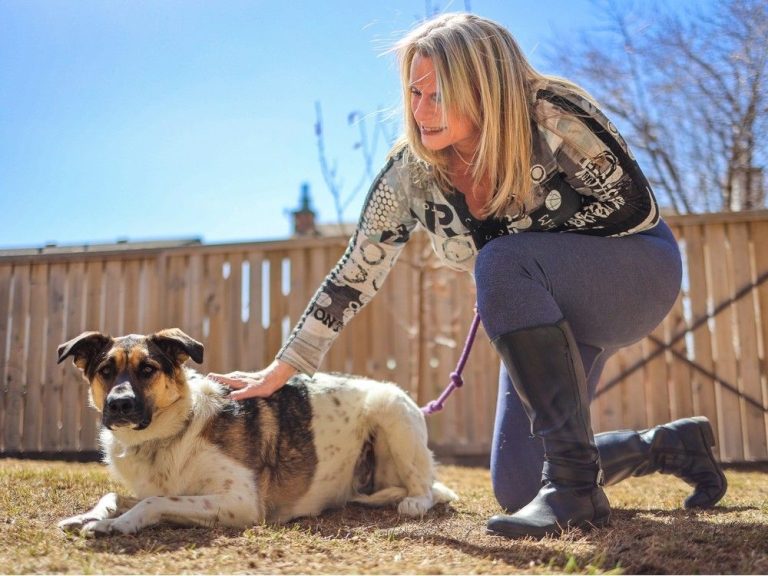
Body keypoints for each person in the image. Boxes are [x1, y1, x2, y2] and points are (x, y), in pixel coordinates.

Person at [209, 12, 727, 539]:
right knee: (521, 487)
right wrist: (288, 364)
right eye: (415, 92)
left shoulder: (552, 116)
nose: (421, 111)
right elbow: (356, 270)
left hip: (632, 272)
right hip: (545, 308)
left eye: (440, 96)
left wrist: (515, 243)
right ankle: (667, 446)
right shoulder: (411, 170)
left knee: (501, 259)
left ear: (487, 87)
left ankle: (575, 493)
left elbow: (633, 209)